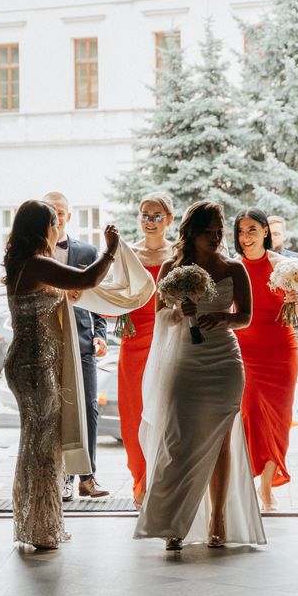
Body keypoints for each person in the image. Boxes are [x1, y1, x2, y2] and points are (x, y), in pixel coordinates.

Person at [134, 201, 266, 550]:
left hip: (224, 361)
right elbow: (160, 317)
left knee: (221, 441)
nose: (215, 237)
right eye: (208, 231)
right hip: (185, 359)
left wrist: (224, 318)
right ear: (191, 233)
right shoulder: (171, 268)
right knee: (178, 439)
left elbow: (246, 317)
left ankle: (217, 518)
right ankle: (173, 520)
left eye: (218, 231)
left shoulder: (234, 268)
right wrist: (180, 312)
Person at [2, 200, 118, 550]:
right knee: (42, 448)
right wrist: (110, 251)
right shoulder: (37, 264)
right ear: (44, 229)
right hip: (36, 365)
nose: (57, 230)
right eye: (54, 224)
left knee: (37, 444)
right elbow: (87, 278)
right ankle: (40, 527)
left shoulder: (24, 262)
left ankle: (36, 523)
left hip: (30, 362)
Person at [44, 190, 109, 499]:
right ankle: (64, 478)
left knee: (89, 408)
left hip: (83, 341)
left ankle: (88, 477)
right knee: (58, 410)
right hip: (50, 341)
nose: (56, 216)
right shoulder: (37, 254)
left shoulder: (87, 252)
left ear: (68, 216)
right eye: (50, 210)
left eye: (60, 211)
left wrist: (100, 333)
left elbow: (97, 298)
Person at [233, 208, 298, 512]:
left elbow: (295, 314)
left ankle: (267, 486)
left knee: (279, 418)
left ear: (265, 232)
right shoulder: (233, 267)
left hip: (281, 351)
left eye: (252, 230)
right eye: (241, 231)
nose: (246, 237)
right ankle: (246, 480)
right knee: (248, 414)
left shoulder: (282, 265)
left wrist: (293, 301)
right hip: (245, 350)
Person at [118, 193, 174, 506]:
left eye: (156, 216)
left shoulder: (178, 253)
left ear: (169, 220)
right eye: (144, 215)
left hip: (168, 338)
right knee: (133, 413)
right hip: (134, 338)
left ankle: (165, 482)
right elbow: (114, 293)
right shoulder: (128, 253)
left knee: (166, 413)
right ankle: (141, 482)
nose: (149, 221)